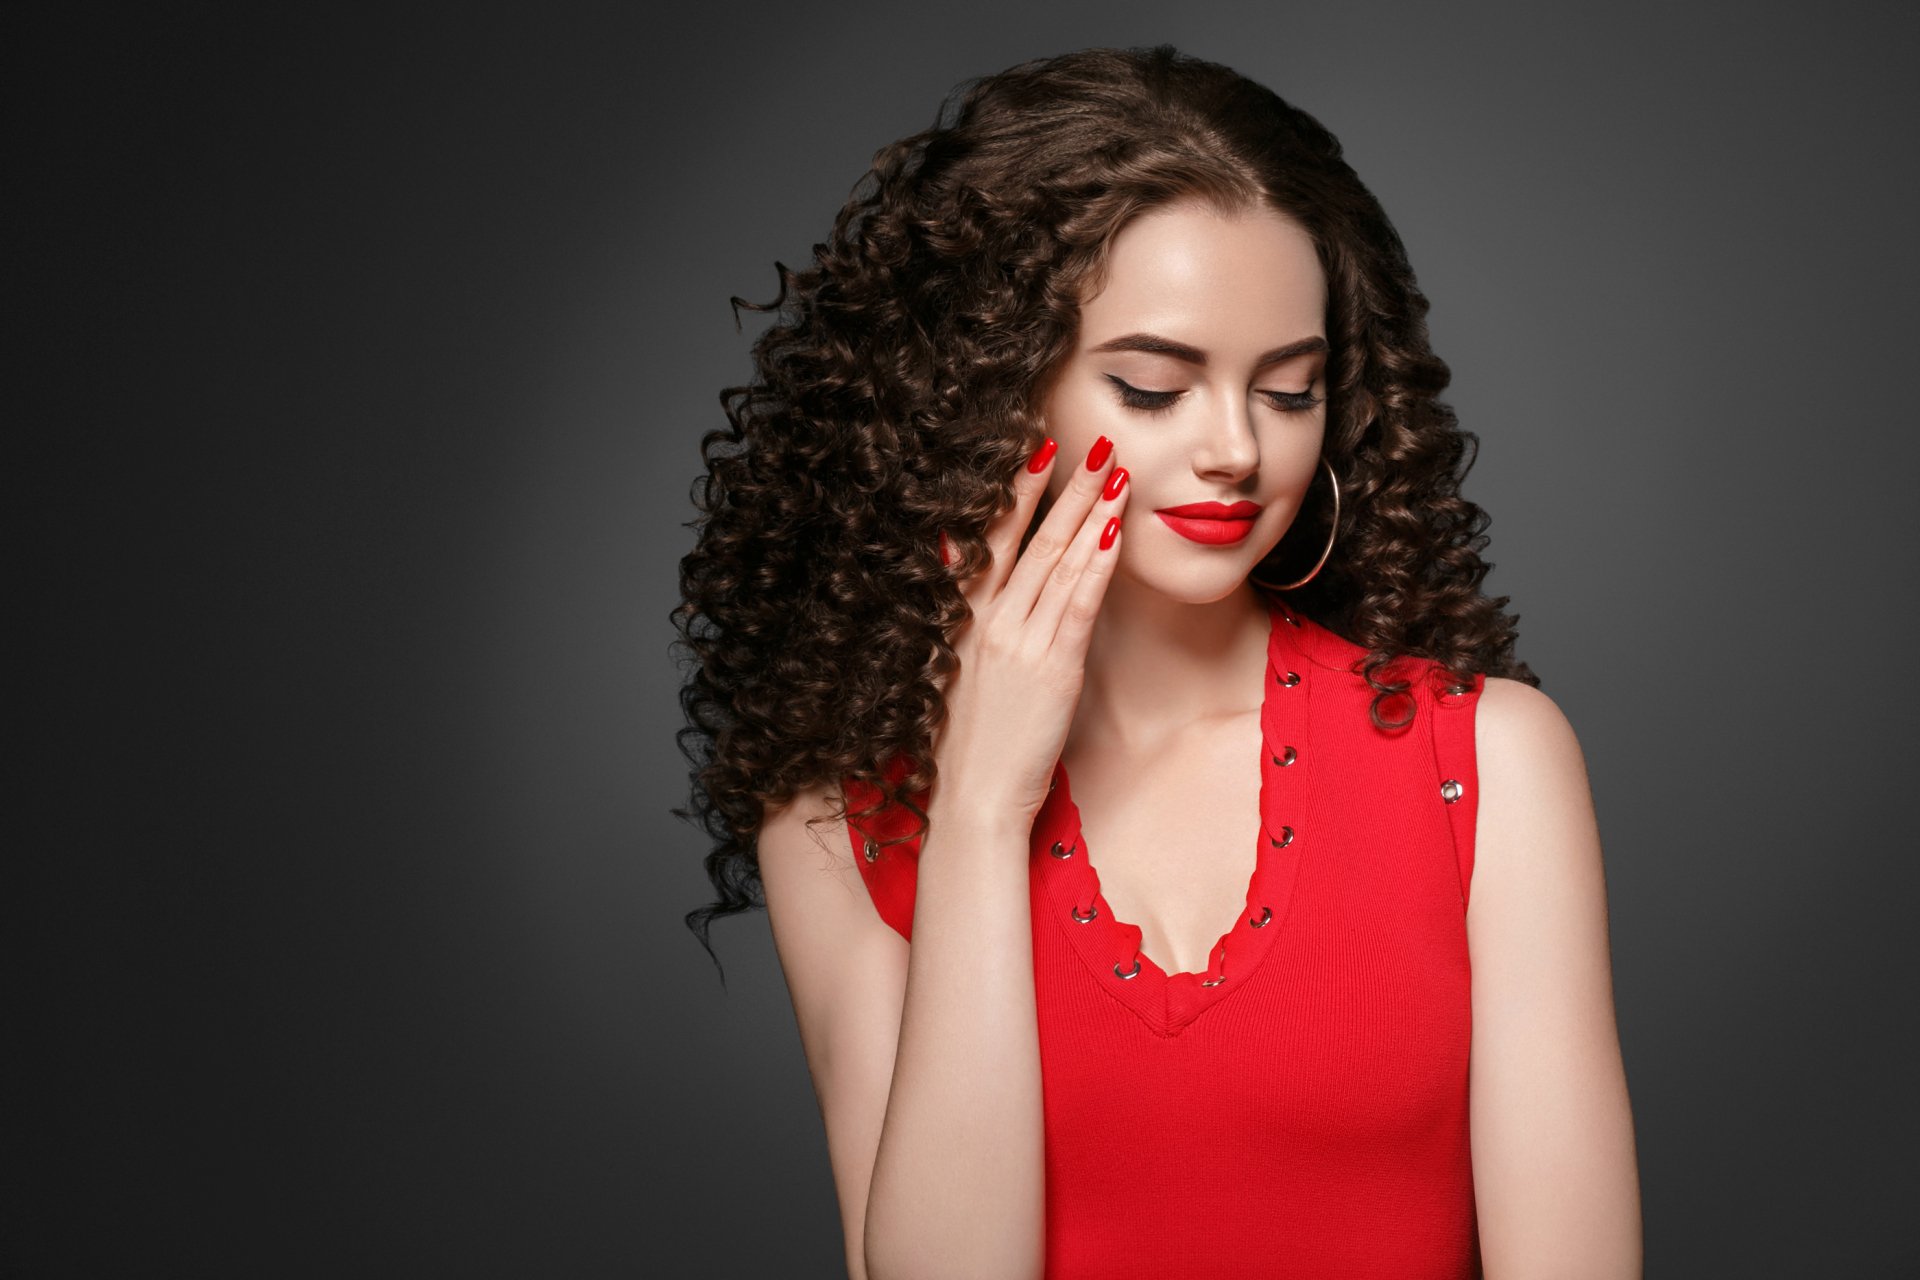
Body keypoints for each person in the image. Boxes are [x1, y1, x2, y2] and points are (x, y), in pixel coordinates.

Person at [675, 44, 1642, 1280]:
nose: (1235, 447)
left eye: (1288, 393)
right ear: (989, 389)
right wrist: (977, 811)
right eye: (1151, 386)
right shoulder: (836, 821)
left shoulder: (1486, 761)